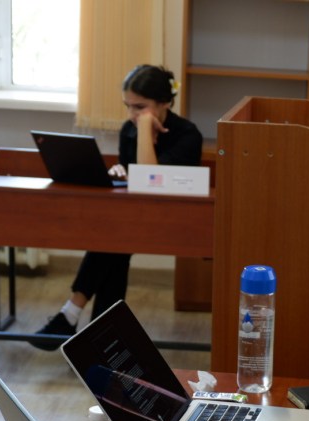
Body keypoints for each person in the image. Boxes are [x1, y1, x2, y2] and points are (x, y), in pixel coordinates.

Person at [30, 64, 203, 350]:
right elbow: (134, 179)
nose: (132, 115)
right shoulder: (128, 130)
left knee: (113, 238)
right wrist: (120, 172)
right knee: (114, 242)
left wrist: (145, 129)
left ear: (165, 103)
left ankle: (72, 316)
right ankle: (99, 340)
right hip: (134, 220)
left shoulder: (187, 134)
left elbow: (150, 180)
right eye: (128, 106)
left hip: (175, 222)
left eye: (140, 107)